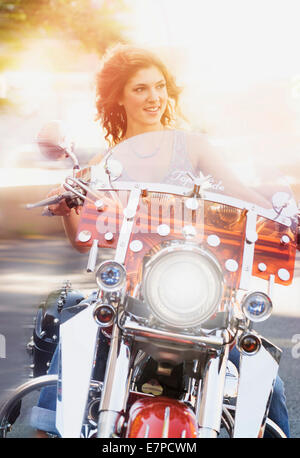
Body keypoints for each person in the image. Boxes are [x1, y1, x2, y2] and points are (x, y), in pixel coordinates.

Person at [31, 44, 290, 437]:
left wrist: (287, 216)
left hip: (198, 290)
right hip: (133, 290)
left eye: (159, 86)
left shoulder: (193, 147)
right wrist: (70, 203)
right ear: (117, 95)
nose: (153, 97)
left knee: (264, 375)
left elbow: (243, 195)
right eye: (140, 89)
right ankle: (47, 431)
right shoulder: (105, 164)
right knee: (76, 336)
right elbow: (85, 243)